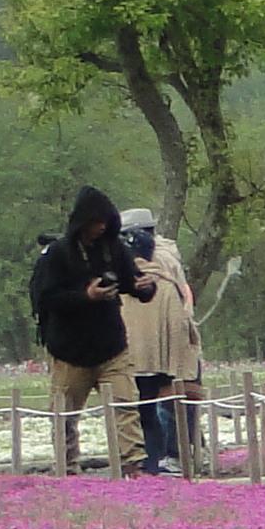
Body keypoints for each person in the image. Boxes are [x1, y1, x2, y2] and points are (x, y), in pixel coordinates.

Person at [28, 186, 157, 476]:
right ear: (82, 222)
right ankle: (67, 466)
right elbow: (45, 299)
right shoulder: (58, 255)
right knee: (65, 416)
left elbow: (132, 282)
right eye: (95, 222)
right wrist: (85, 296)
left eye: (105, 223)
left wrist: (143, 288)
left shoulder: (115, 249)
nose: (100, 228)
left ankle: (132, 464)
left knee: (125, 406)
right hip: (69, 351)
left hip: (112, 347)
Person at [119, 209, 203, 477]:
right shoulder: (168, 258)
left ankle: (168, 456)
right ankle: (163, 457)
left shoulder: (157, 261)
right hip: (154, 340)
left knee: (164, 401)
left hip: (151, 343)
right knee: (162, 401)